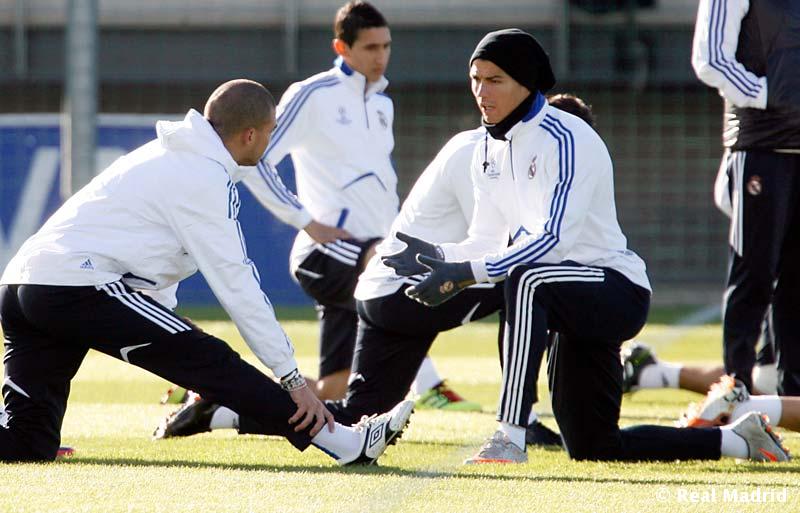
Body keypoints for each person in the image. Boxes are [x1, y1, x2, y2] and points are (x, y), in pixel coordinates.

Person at [385, 29, 789, 463]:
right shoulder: (488, 147)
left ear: (527, 82)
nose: (481, 92)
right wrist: (440, 256)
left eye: (495, 80)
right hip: (562, 296)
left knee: (525, 280)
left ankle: (509, 435)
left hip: (615, 289)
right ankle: (739, 439)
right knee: (594, 445)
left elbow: (553, 239)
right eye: (475, 79)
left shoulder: (568, 136)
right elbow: (486, 239)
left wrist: (467, 274)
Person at [0, 79, 412, 464]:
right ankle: (345, 443)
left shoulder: (170, 155)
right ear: (250, 134)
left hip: (23, 282)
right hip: (72, 286)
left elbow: (152, 263)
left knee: (26, 443)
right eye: (269, 132)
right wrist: (291, 378)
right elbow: (237, 286)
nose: (269, 144)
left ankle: (340, 439)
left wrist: (176, 337)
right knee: (213, 360)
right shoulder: (204, 176)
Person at [151, 94, 598, 447]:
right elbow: (496, 249)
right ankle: (522, 421)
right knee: (530, 285)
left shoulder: (504, 154)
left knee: (351, 415)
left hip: (389, 289)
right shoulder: (486, 155)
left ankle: (220, 413)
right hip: (403, 287)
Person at [239, 1, 474, 407]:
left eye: (386, 46)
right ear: (341, 47)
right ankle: (431, 387)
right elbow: (254, 160)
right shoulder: (312, 94)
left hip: (370, 249)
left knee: (333, 391)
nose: (380, 56)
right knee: (398, 271)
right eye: (369, 47)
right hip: (327, 251)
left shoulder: (384, 104)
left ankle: (223, 404)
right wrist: (305, 220)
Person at [691, 0, 800, 395]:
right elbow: (711, 59)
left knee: (796, 281)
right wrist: (772, 93)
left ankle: (793, 400)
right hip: (762, 146)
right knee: (753, 272)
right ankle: (735, 389)